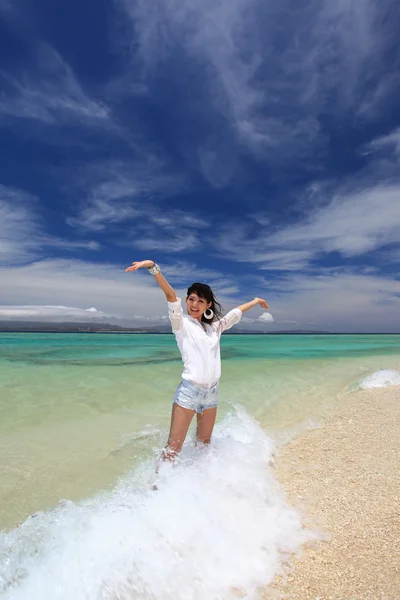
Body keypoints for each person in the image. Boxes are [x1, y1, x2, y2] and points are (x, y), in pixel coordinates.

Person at [125, 259, 270, 460]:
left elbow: (234, 314)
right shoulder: (181, 324)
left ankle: (199, 484)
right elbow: (170, 296)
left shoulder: (214, 328)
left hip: (212, 394)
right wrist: (152, 267)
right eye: (192, 299)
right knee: (173, 449)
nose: (195, 304)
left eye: (201, 301)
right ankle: (157, 489)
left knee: (204, 445)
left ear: (208, 305)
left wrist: (255, 301)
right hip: (189, 393)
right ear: (186, 301)